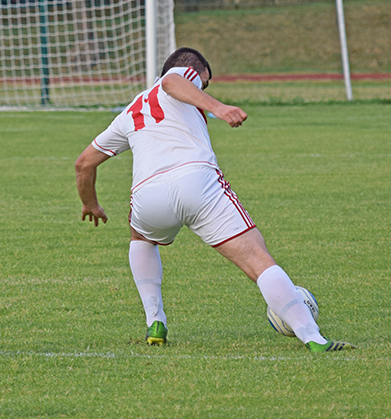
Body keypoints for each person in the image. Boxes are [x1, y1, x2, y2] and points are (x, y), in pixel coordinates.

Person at [75, 47, 355, 352]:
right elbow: (171, 82)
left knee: (140, 237)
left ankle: (155, 321)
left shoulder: (131, 110)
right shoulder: (182, 74)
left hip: (148, 194)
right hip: (197, 181)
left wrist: (90, 204)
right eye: (204, 83)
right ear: (194, 73)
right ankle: (313, 337)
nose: (201, 88)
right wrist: (218, 107)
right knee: (258, 259)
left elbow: (84, 164)